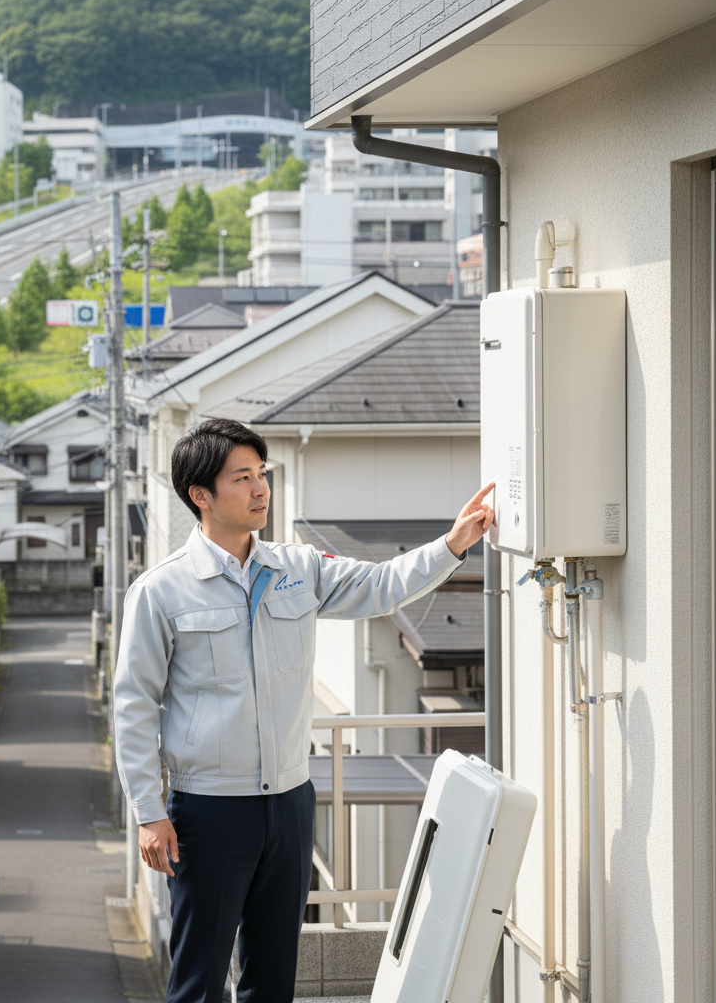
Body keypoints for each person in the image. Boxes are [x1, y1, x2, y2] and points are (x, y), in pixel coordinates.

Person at [114, 418, 495, 1003]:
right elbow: (134, 705)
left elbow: (383, 585)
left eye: (261, 474)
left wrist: (453, 545)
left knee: (273, 981)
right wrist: (148, 811)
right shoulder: (161, 591)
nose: (260, 488)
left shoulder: (299, 569)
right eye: (242, 477)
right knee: (198, 983)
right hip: (208, 811)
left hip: (290, 804)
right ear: (201, 495)